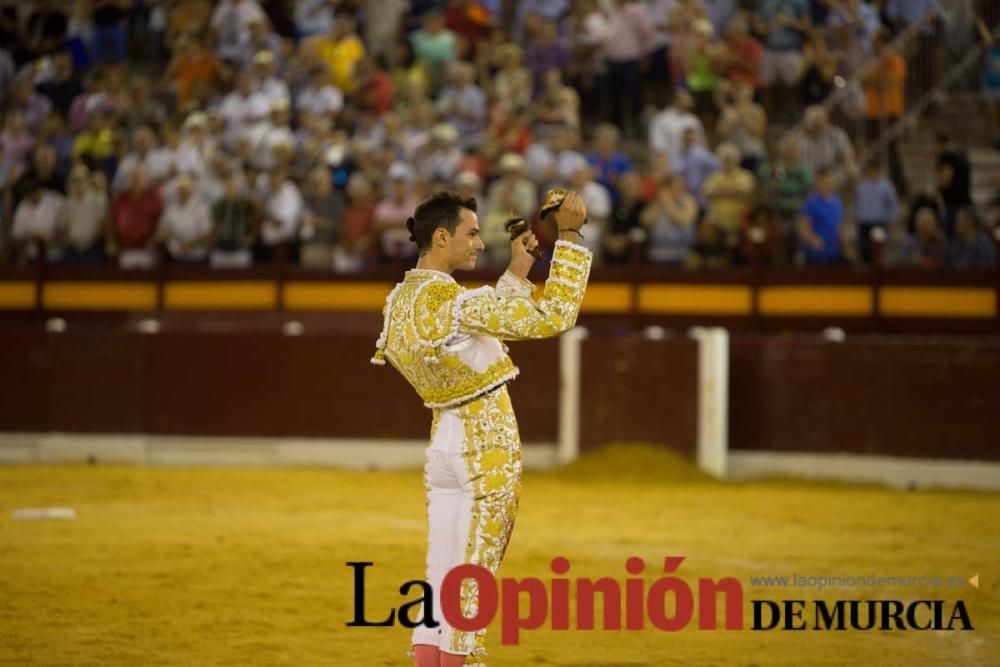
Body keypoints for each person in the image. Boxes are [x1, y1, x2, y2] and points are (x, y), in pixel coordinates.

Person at [371, 190, 591, 667]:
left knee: (440, 574)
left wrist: (518, 270)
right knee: (472, 576)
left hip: (443, 446)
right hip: (485, 448)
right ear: (442, 236)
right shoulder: (454, 302)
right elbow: (554, 316)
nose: (478, 244)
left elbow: (482, 326)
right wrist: (569, 237)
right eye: (471, 234)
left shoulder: (400, 301)